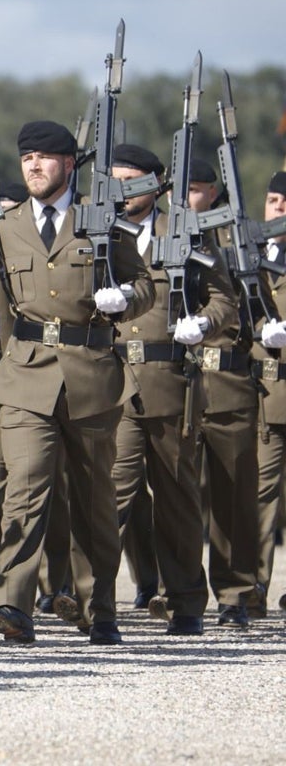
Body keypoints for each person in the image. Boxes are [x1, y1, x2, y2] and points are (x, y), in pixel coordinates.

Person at [0, 120, 154, 645]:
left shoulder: (104, 224)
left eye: (45, 157)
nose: (33, 165)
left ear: (69, 165)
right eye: (26, 156)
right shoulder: (5, 229)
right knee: (24, 490)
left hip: (91, 372)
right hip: (26, 373)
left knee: (95, 499)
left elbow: (143, 285)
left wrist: (126, 299)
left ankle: (100, 606)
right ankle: (14, 604)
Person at [107, 144, 236, 636]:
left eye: (133, 181)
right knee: (109, 494)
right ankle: (95, 601)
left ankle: (185, 602)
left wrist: (203, 323)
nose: (123, 191)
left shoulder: (183, 234)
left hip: (170, 379)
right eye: (115, 180)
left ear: (156, 186)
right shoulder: (101, 234)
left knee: (178, 495)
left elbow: (224, 299)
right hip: (114, 382)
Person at [192, 159, 285, 627]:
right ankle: (190, 593)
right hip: (189, 382)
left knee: (237, 496)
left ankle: (239, 592)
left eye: (197, 190)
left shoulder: (239, 242)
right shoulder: (159, 237)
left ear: (214, 192)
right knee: (185, 496)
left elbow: (253, 310)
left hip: (236, 383)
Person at [253, 170, 286, 616]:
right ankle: (254, 587)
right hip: (267, 391)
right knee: (259, 495)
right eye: (274, 198)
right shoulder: (249, 256)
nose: (279, 207)